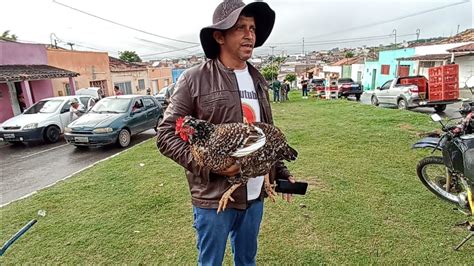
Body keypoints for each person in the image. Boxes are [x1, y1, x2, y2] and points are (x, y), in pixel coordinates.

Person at [156, 1, 296, 265]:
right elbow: (166, 135)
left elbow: (264, 138)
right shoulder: (193, 79)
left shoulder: (258, 80)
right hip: (213, 199)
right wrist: (211, 166)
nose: (250, 34)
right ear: (219, 36)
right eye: (240, 27)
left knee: (247, 261)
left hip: (254, 194)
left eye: (252, 28)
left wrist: (282, 172)